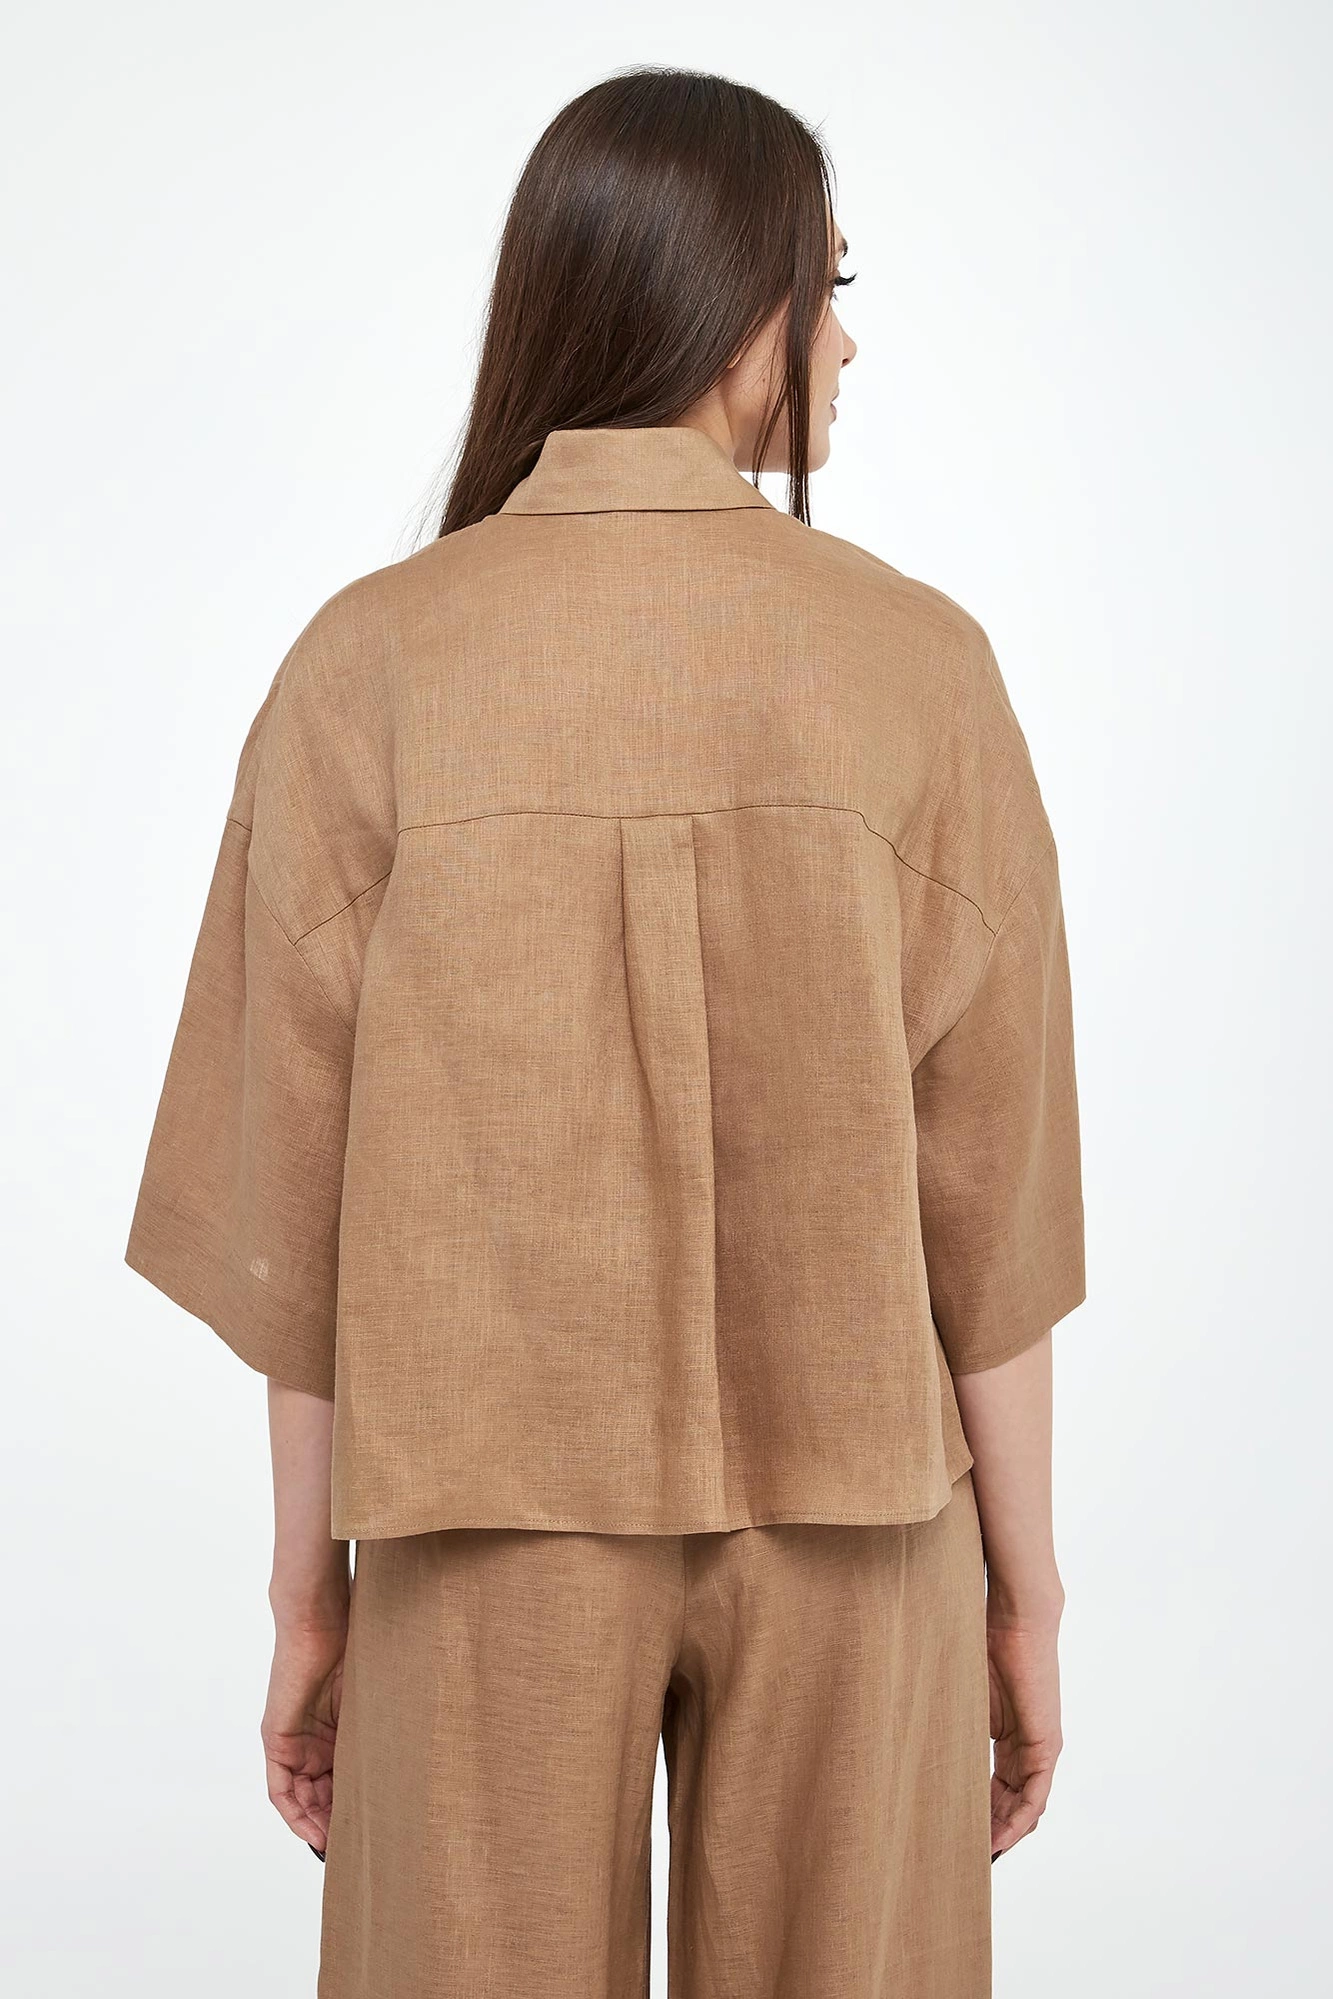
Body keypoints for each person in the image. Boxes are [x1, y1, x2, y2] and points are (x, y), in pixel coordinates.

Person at [124, 65, 1085, 1999]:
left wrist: (306, 1600)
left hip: (477, 1517)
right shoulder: (921, 665)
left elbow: (294, 1201)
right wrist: (1029, 1592)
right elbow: (994, 1211)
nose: (845, 339)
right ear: (737, 317)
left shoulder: (370, 663)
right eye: (827, 285)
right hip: (863, 1518)